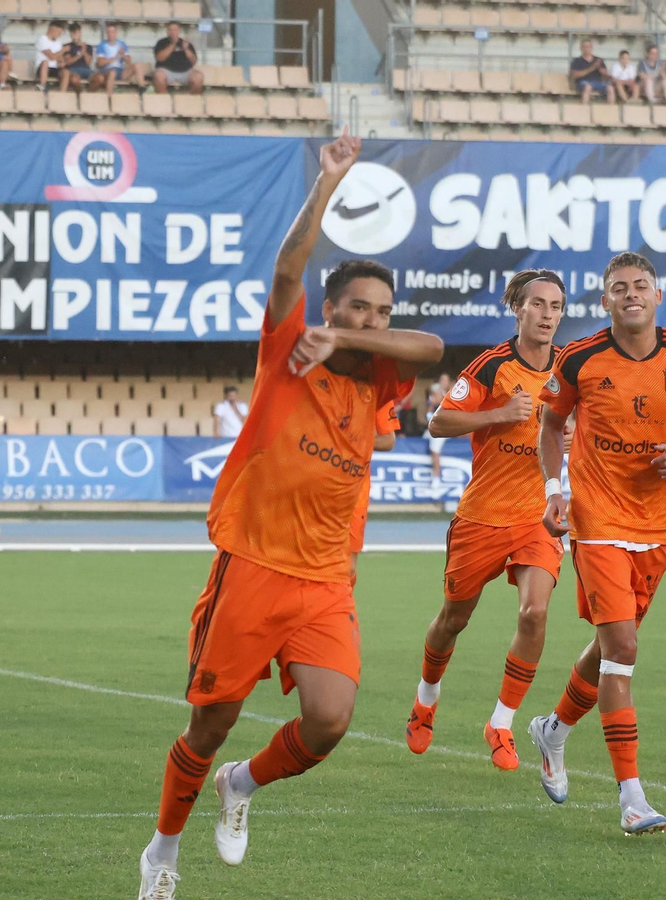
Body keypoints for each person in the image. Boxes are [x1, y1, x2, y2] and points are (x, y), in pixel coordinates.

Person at [136, 133, 443, 900]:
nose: (372, 322)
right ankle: (162, 852)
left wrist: (348, 336)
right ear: (328, 306)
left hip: (326, 582)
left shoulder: (377, 378)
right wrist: (329, 183)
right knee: (207, 727)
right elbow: (285, 270)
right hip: (254, 569)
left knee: (331, 721)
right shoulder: (286, 354)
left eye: (380, 313)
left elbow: (432, 345)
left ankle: (243, 784)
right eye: (355, 309)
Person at [524, 251, 666, 835]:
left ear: (658, 296)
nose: (631, 293)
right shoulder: (581, 358)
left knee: (611, 646)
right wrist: (553, 489)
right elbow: (548, 426)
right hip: (596, 519)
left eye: (641, 285)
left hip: (657, 526)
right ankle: (632, 798)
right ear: (605, 299)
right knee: (623, 646)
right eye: (620, 287)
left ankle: (554, 730)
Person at [404, 270, 567, 771]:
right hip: (481, 516)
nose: (546, 314)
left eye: (555, 306)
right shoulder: (492, 366)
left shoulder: (571, 369)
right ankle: (426, 699)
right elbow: (438, 422)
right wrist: (498, 414)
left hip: (537, 517)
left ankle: (501, 723)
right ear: (517, 308)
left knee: (534, 614)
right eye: (537, 304)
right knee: (453, 619)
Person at [349, 401, 400, 585]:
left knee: (347, 567)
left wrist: (348, 442)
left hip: (355, 492)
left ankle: (341, 610)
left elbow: (388, 440)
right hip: (315, 488)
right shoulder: (321, 387)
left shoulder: (380, 391)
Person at [153, 21, 203, 94]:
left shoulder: (186, 43)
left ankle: (191, 101)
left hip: (185, 71)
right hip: (167, 71)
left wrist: (186, 49)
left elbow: (194, 61)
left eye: (175, 30)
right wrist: (173, 44)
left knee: (199, 77)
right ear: (167, 31)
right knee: (158, 76)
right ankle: (164, 100)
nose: (173, 32)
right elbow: (160, 58)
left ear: (179, 31)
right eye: (170, 30)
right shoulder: (161, 42)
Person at [93, 22, 143, 95]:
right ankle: (109, 97)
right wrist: (114, 58)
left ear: (116, 32)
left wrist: (123, 55)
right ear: (106, 33)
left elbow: (129, 62)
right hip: (106, 70)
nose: (111, 34)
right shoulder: (102, 45)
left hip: (120, 71)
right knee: (112, 72)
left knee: (137, 65)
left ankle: (142, 89)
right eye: (109, 32)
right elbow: (100, 63)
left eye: (113, 32)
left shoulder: (122, 44)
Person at [425, 373, 451, 490]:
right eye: (441, 379)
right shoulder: (434, 395)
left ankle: (436, 477)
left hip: (445, 428)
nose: (443, 382)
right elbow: (427, 416)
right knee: (422, 440)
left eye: (445, 380)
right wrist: (432, 403)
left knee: (435, 449)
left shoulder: (452, 396)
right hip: (433, 427)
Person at [59, 23, 94, 92]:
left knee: (96, 77)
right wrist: (79, 55)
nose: (74, 36)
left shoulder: (88, 47)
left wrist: (84, 51)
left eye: (76, 33)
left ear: (80, 33)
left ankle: (89, 93)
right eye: (72, 34)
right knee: (74, 79)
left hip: (85, 69)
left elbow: (88, 62)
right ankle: (80, 93)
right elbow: (68, 62)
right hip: (73, 69)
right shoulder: (67, 46)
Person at [34, 20, 65, 90]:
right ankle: (42, 85)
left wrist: (61, 62)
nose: (60, 35)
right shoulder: (42, 39)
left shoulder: (59, 43)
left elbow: (59, 57)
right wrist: (63, 50)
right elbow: (51, 56)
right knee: (45, 62)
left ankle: (63, 90)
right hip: (42, 67)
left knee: (65, 71)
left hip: (55, 68)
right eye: (59, 32)